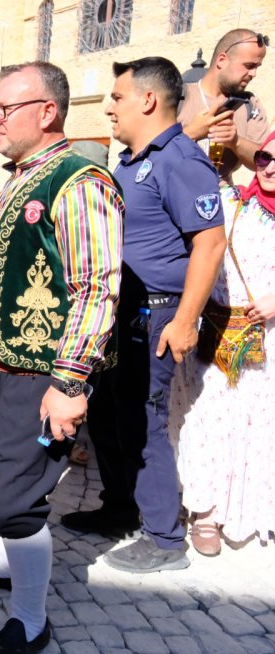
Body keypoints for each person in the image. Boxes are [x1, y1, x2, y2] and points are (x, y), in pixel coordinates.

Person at [0, 61, 124, 654]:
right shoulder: (21, 177)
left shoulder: (78, 180)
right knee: (4, 477)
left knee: (13, 501)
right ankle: (7, 567)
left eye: (5, 108)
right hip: (4, 367)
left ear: (46, 112)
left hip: (43, 379)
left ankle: (30, 622)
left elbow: (95, 286)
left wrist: (70, 381)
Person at [63, 58, 227, 576]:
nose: (109, 107)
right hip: (120, 313)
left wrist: (184, 320)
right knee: (110, 416)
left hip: (155, 316)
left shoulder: (181, 160)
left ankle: (165, 539)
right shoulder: (134, 161)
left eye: (117, 97)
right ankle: (119, 510)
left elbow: (210, 241)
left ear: (148, 101)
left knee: (145, 423)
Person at [170, 132, 275, 554]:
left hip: (265, 340)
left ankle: (245, 508)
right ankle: (205, 512)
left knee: (252, 424)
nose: (270, 166)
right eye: (265, 156)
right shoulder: (232, 202)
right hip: (215, 332)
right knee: (207, 417)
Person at [179, 29, 269, 182]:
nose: (253, 74)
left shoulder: (249, 104)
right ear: (222, 60)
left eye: (257, 67)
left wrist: (236, 142)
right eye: (249, 65)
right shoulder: (178, 97)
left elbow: (266, 161)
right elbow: (146, 151)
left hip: (222, 199)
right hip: (173, 198)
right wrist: (190, 133)